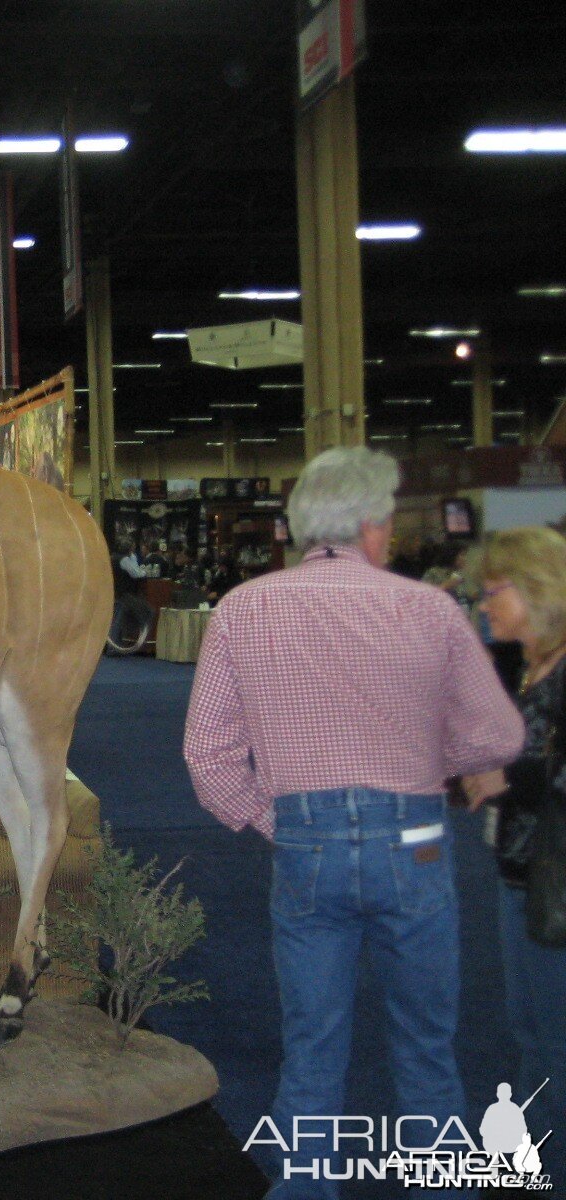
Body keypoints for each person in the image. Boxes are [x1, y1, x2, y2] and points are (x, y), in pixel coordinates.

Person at [183, 447, 523, 1199]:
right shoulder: (429, 609)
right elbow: (497, 736)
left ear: (303, 523)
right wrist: (436, 754)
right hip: (417, 844)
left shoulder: (243, 608)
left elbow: (208, 758)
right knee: (428, 1050)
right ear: (373, 523)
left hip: (306, 844)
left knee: (311, 1048)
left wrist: (280, 821)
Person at [460, 526, 566, 1180]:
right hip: (522, 874)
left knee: (554, 1042)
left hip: (554, 883)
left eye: (496, 590)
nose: (485, 602)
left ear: (539, 591)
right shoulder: (528, 663)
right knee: (531, 1036)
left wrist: (509, 779)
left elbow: (540, 772)